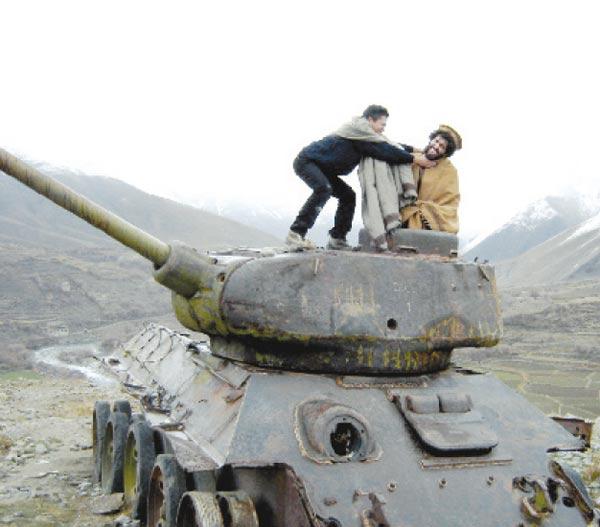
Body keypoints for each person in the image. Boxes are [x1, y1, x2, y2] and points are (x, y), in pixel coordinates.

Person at [286, 105, 436, 251]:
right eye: (382, 124)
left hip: (324, 169)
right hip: (307, 162)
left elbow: (389, 144)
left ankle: (337, 239)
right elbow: (385, 150)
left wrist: (415, 150)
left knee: (348, 196)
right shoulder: (359, 132)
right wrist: (414, 159)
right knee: (324, 189)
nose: (383, 128)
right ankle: (295, 234)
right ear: (370, 120)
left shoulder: (366, 135)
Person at [400, 125, 462, 234]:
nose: (436, 146)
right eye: (436, 141)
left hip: (426, 223)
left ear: (446, 153)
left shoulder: (449, 171)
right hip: (400, 214)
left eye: (442, 146)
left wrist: (424, 210)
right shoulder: (413, 157)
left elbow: (450, 204)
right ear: (431, 140)